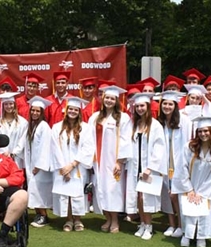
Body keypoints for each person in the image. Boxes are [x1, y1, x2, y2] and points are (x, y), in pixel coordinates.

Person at [171, 116, 211, 247]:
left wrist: (201, 193)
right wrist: (189, 189)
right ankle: (187, 235)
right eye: (200, 131)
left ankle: (202, 237)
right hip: (189, 186)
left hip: (207, 189)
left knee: (205, 211)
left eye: (206, 131)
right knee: (188, 211)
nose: (203, 134)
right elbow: (181, 168)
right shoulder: (189, 147)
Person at [89, 86, 132, 233]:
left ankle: (115, 220)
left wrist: (120, 161)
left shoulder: (123, 118)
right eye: (106, 97)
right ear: (102, 98)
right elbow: (88, 139)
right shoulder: (95, 117)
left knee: (113, 190)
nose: (108, 100)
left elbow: (126, 140)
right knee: (101, 189)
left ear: (116, 101)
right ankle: (107, 218)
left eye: (112, 98)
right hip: (98, 160)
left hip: (113, 160)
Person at [50, 97, 95, 232]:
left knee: (77, 193)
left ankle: (78, 220)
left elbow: (88, 148)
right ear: (66, 110)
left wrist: (73, 164)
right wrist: (65, 168)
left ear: (79, 111)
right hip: (62, 167)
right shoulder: (57, 127)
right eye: (70, 109)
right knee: (65, 194)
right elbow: (55, 149)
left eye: (75, 109)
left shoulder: (86, 128)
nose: (72, 111)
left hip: (78, 166)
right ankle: (68, 220)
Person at [126, 92, 167, 240]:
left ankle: (149, 226)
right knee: (138, 197)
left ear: (148, 107)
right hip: (135, 166)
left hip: (149, 168)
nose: (139, 109)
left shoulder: (155, 125)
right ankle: (142, 223)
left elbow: (159, 147)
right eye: (137, 106)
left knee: (145, 198)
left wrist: (151, 168)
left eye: (142, 106)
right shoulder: (133, 124)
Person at [157, 91, 191, 238]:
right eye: (164, 103)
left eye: (170, 104)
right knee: (167, 195)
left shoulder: (185, 121)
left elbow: (188, 143)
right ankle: (171, 224)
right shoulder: (159, 122)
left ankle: (181, 225)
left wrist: (185, 166)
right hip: (164, 164)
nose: (167, 106)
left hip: (179, 164)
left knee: (177, 196)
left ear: (175, 105)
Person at [16, 96, 54, 227]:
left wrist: (39, 166)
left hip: (39, 167)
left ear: (42, 112)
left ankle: (44, 215)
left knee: (40, 191)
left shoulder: (44, 127)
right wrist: (14, 152)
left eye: (38, 111)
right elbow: (22, 142)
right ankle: (39, 214)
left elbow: (46, 147)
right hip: (31, 164)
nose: (35, 113)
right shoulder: (31, 125)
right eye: (33, 110)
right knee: (34, 190)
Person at [0, 92, 28, 169]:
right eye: (6, 104)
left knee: (16, 178)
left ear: (14, 105)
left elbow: (23, 140)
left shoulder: (23, 122)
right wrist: (3, 152)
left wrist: (13, 153)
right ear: (2, 106)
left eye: (11, 104)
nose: (9, 106)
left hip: (16, 158)